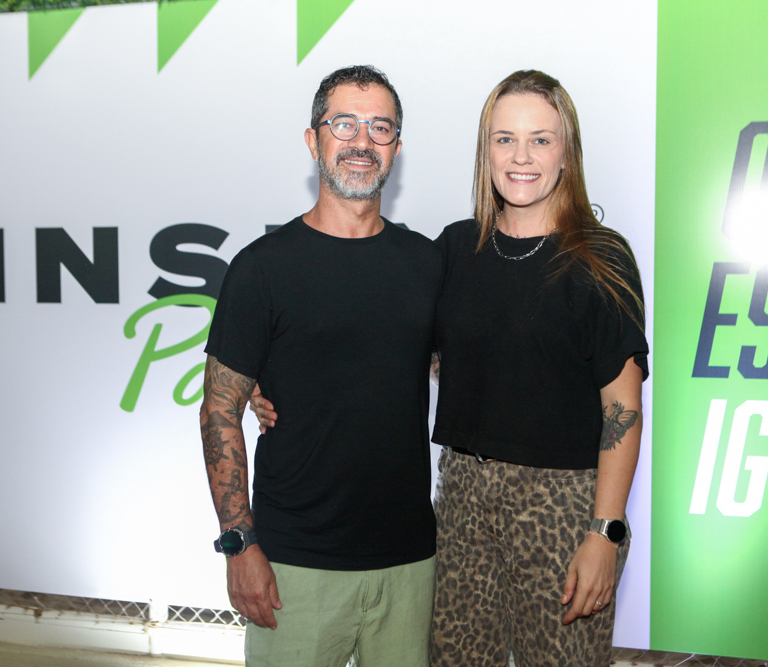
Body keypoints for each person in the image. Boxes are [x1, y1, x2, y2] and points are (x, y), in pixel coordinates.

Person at [200, 65, 440, 667]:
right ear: (314, 140)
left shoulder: (428, 264)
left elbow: (457, 368)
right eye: (344, 124)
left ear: (397, 148)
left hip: (410, 564)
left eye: (380, 127)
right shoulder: (261, 268)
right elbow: (219, 409)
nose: (362, 141)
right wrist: (240, 544)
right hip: (294, 566)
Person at [429, 70, 649, 666]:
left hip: (565, 506)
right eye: (505, 139)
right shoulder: (455, 248)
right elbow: (395, 346)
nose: (521, 157)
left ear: (566, 152)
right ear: (486, 151)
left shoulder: (601, 258)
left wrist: (605, 532)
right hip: (462, 501)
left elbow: (622, 407)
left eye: (540, 139)